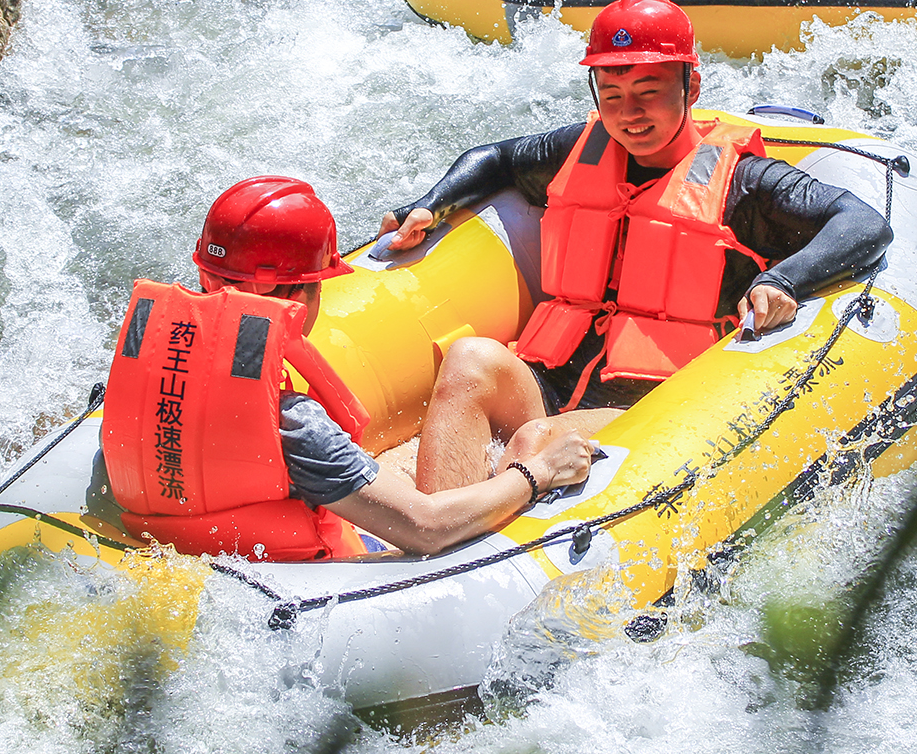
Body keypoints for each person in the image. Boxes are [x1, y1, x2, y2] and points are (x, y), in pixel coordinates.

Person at [377, 0, 893, 493]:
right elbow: (495, 158)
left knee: (536, 441)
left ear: (690, 86)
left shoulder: (747, 184)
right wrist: (430, 205)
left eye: (649, 91)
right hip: (550, 381)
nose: (630, 114)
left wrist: (784, 279)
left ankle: (477, 541)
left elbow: (863, 224)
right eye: (612, 96)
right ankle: (438, 536)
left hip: (650, 406)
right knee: (470, 358)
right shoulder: (577, 149)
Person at [100, 177, 594, 559]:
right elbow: (425, 528)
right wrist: (534, 473)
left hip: (192, 560)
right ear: (297, 296)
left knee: (398, 462)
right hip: (314, 595)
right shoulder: (295, 425)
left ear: (204, 276)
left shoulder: (139, 376)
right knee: (532, 444)